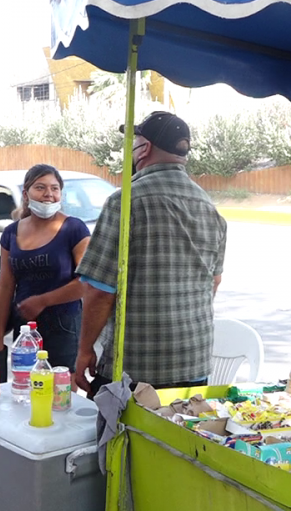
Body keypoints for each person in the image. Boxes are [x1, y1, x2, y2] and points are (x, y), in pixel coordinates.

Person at [75, 111, 228, 396]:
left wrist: (84, 350)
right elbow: (213, 283)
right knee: (177, 440)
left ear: (144, 149)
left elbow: (100, 291)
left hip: (137, 367)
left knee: (120, 440)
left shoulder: (126, 201)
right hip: (194, 363)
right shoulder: (210, 208)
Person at [0, 164, 90, 373]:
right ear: (26, 194)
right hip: (25, 329)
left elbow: (87, 282)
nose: (48, 194)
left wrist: (43, 301)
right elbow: (5, 286)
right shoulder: (11, 233)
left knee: (60, 396)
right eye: (40, 188)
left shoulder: (74, 229)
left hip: (63, 326)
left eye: (55, 189)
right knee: (25, 391)